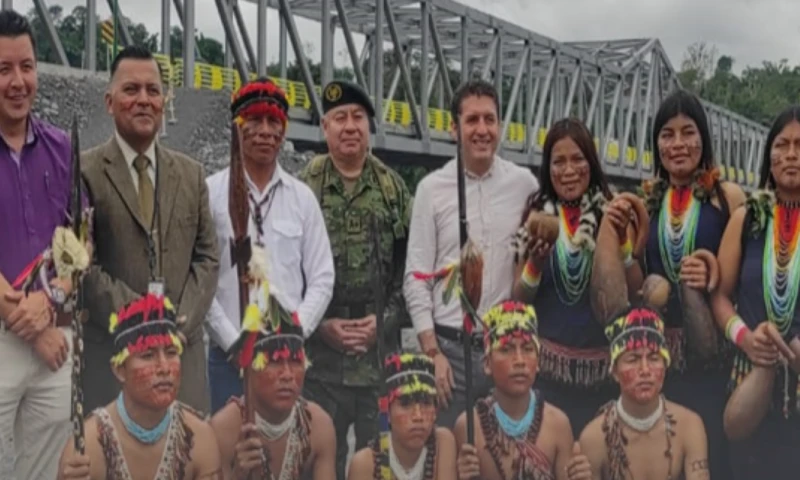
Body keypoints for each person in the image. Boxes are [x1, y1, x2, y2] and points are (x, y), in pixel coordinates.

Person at [81, 45, 219, 415]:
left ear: (164, 100)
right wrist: (141, 317)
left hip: (182, 362)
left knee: (188, 463)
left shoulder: (191, 174)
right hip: (113, 364)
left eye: (153, 91)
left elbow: (207, 257)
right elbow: (81, 266)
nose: (144, 100)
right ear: (109, 101)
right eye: (131, 90)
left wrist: (179, 322)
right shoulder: (84, 172)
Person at [404, 79, 540, 429]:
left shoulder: (525, 185)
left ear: (499, 126)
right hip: (450, 352)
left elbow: (534, 256)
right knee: (451, 457)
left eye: (490, 120)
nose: (482, 130)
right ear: (454, 128)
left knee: (505, 458)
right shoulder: (430, 190)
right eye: (472, 120)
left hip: (506, 345)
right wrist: (432, 353)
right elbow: (416, 278)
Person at [298, 79, 413, 480]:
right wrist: (318, 325)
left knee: (379, 465)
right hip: (319, 364)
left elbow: (407, 272)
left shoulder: (393, 189)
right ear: (324, 129)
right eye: (340, 118)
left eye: (358, 118)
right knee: (315, 463)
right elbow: (286, 271)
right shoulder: (303, 187)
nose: (350, 127)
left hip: (376, 363)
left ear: (369, 126)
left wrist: (387, 322)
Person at [205, 77, 334, 414]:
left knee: (285, 456)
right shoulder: (210, 194)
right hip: (227, 358)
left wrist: (294, 334)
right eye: (254, 120)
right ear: (236, 127)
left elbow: (322, 277)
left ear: (284, 130)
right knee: (230, 454)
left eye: (273, 121)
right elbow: (200, 278)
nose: (264, 130)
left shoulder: (302, 198)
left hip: (287, 360)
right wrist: (233, 343)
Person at [511, 117, 641, 436]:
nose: (568, 170)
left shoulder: (612, 213)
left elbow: (635, 292)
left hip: (604, 378)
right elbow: (517, 300)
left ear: (591, 163)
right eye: (559, 161)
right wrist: (536, 264)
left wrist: (622, 239)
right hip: (547, 378)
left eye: (577, 159)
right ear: (548, 168)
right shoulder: (534, 216)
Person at [638, 89, 745, 478]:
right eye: (667, 134)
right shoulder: (648, 200)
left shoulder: (726, 197)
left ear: (704, 138)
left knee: (711, 457)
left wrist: (714, 269)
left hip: (713, 359)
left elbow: (746, 274)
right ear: (656, 143)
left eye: (688, 132)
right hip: (661, 361)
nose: (678, 144)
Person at [0, 10, 88, 479]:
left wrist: (51, 301)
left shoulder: (60, 148)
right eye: (3, 70)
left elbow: (82, 239)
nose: (18, 82)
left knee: (45, 471)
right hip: (9, 334)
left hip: (56, 336)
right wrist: (29, 324)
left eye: (27, 67)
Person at [712, 105, 800, 478]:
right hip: (749, 374)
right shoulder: (745, 218)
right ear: (769, 156)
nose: (792, 154)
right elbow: (718, 295)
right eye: (782, 144)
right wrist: (744, 337)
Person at [57, 293, 222, 479]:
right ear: (120, 370)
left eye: (171, 352)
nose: (164, 368)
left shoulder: (200, 439)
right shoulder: (87, 447)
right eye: (147, 356)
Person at [210, 273, 336, 479]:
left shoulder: (319, 427)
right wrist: (238, 475)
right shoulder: (223, 431)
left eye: (295, 362)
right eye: (274, 361)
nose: (287, 375)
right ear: (248, 368)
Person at [454, 301, 587, 480]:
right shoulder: (468, 426)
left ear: (538, 361)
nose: (519, 360)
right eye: (506, 350)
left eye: (527, 349)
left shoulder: (558, 424)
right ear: (487, 363)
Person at [577, 306, 709, 480]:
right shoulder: (594, 438)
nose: (645, 370)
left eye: (654, 358)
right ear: (615, 371)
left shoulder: (690, 426)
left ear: (666, 365)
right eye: (633, 359)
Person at [347, 352, 457, 480]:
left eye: (426, 403)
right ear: (386, 412)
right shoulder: (365, 464)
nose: (418, 416)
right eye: (406, 404)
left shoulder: (442, 444)